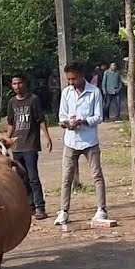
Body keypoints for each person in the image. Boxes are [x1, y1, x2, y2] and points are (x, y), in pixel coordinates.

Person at [56, 62, 108, 225]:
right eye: (69, 79)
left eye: (73, 79)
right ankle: (64, 211)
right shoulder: (66, 93)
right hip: (70, 141)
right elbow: (62, 115)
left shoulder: (94, 92)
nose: (71, 82)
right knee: (66, 177)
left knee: (97, 175)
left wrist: (83, 121)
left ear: (81, 75)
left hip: (89, 140)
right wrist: (66, 123)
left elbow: (99, 116)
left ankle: (101, 209)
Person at [6, 75, 54, 220]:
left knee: (33, 177)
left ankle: (40, 207)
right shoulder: (12, 102)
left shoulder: (33, 100)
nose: (17, 86)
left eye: (19, 83)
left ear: (25, 84)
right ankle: (29, 206)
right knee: (21, 179)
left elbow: (40, 120)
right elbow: (11, 123)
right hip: (17, 147)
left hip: (30, 145)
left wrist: (47, 137)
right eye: (14, 84)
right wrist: (6, 140)